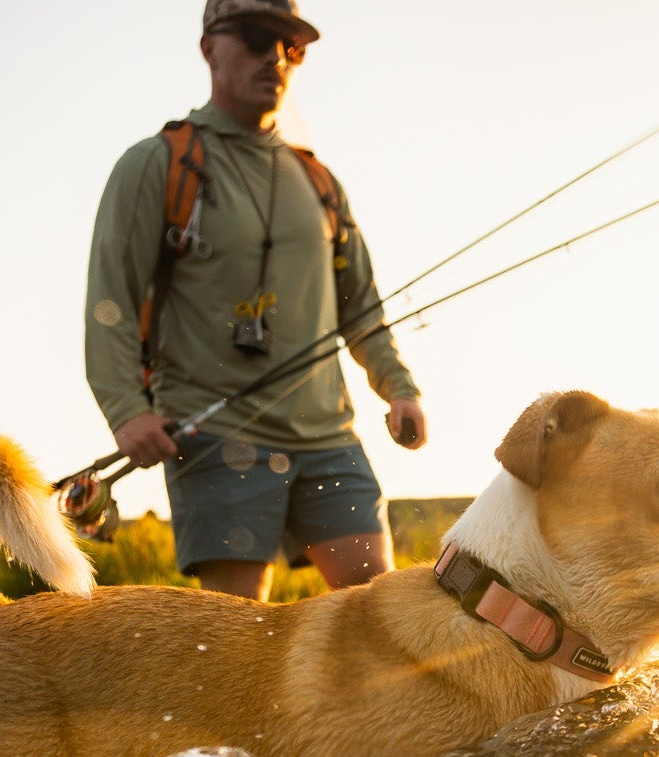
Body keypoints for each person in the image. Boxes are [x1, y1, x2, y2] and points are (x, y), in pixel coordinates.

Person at [84, 0, 427, 600]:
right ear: (209, 46)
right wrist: (126, 410)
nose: (274, 55)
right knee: (235, 645)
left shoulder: (319, 182)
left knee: (381, 618)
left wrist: (399, 388)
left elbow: (361, 306)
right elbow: (110, 298)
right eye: (254, 36)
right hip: (216, 438)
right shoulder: (155, 165)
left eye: (290, 46)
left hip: (330, 440)